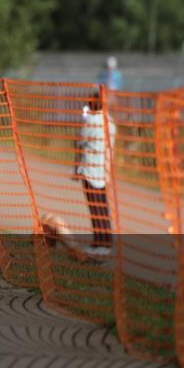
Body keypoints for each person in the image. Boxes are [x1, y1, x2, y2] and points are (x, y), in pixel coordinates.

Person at [73, 88, 116, 257]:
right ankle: (106, 241)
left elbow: (80, 140)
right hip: (104, 170)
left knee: (95, 207)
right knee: (103, 206)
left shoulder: (91, 121)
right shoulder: (110, 121)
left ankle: (100, 243)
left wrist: (85, 116)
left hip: (90, 170)